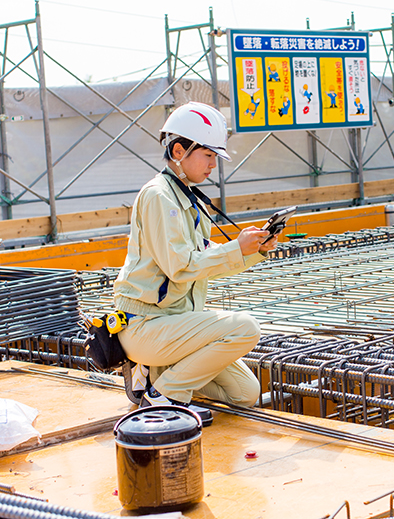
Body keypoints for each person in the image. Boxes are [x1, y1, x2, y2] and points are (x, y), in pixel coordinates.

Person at [113, 101, 277, 412]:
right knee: (245, 328)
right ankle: (162, 395)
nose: (213, 164)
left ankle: (158, 376)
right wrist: (235, 248)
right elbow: (182, 267)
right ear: (178, 152)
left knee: (244, 392)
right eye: (208, 155)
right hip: (145, 325)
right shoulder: (159, 196)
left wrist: (253, 250)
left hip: (172, 325)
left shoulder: (182, 195)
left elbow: (201, 259)